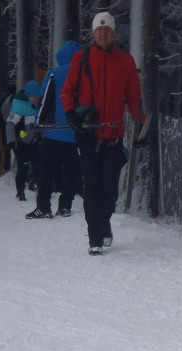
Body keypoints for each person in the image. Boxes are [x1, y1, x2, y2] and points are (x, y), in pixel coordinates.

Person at [60, 11, 146, 255]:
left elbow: (134, 98)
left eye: (107, 29)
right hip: (87, 133)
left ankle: (103, 223)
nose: (103, 33)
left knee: (109, 189)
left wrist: (141, 127)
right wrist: (70, 113)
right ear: (93, 32)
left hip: (113, 135)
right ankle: (95, 238)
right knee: (92, 184)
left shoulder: (125, 61)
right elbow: (67, 91)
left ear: (113, 32)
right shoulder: (81, 58)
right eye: (99, 29)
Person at [26, 40, 83, 219]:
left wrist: (38, 122)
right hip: (75, 132)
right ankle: (65, 206)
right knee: (72, 171)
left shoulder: (54, 73)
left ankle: (43, 207)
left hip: (53, 131)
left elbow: (45, 100)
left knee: (46, 170)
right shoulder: (84, 73)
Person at [6, 80, 43, 201]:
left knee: (38, 166)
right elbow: (10, 125)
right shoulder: (19, 107)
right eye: (34, 97)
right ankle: (20, 191)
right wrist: (11, 141)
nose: (36, 99)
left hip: (35, 142)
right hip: (22, 142)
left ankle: (40, 189)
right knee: (23, 167)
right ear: (27, 95)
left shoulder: (38, 106)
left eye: (38, 97)